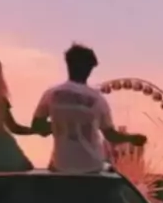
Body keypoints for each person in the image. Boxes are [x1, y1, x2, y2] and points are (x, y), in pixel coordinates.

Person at [31, 43, 146, 173]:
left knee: (53, 168)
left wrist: (60, 125)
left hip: (61, 165)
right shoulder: (98, 99)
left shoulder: (51, 94)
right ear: (90, 69)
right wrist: (131, 138)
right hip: (92, 166)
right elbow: (111, 135)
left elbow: (37, 127)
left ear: (68, 64)